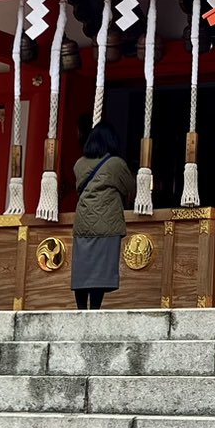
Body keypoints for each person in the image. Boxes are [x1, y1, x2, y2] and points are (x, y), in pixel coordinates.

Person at [71, 122, 136, 310]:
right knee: (99, 271)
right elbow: (129, 187)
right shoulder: (116, 163)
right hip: (107, 223)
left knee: (82, 269)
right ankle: (95, 310)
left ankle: (81, 309)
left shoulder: (79, 164)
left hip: (83, 221)